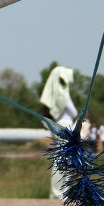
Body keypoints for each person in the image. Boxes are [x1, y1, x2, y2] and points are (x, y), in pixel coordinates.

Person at [39, 65, 79, 199]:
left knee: (61, 158)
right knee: (63, 159)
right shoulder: (62, 94)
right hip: (64, 126)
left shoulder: (53, 93)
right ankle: (60, 192)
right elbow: (73, 112)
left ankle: (58, 192)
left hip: (56, 126)